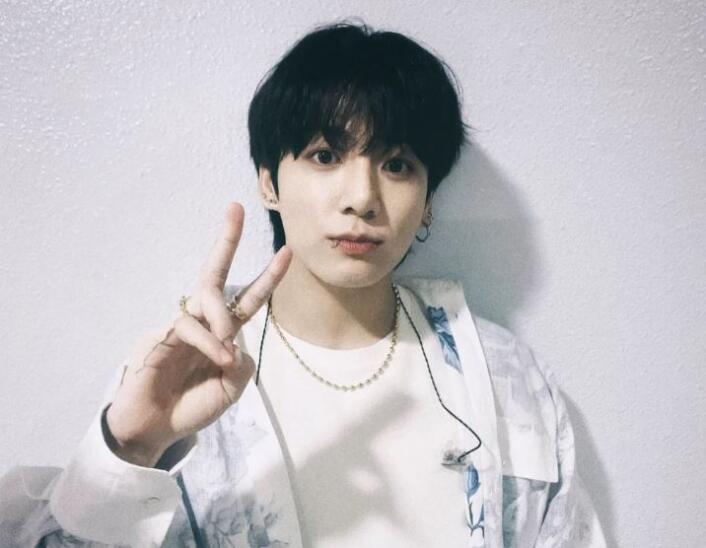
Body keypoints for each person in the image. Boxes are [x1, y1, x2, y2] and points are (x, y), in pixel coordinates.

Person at [0, 21, 606, 547]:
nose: (362, 197)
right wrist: (130, 448)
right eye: (325, 156)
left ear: (427, 202)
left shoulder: (504, 376)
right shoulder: (181, 369)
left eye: (397, 164)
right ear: (269, 182)